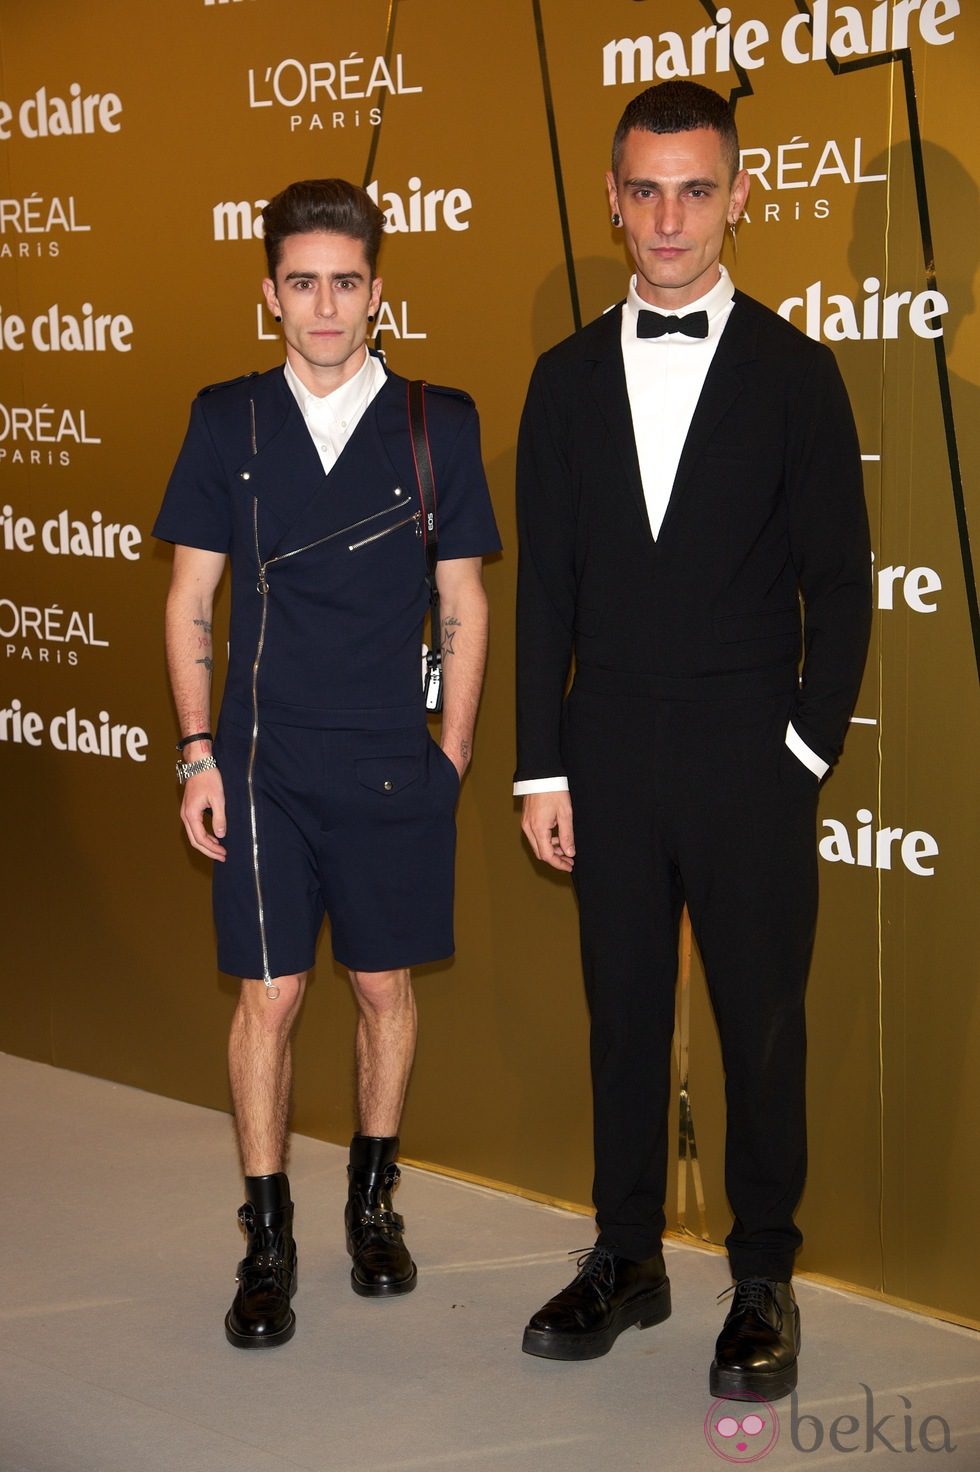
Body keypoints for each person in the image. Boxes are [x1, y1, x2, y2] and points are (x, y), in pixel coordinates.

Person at [514, 82, 871, 1400]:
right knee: (623, 1016)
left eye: (696, 189)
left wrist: (799, 755)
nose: (670, 219)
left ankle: (763, 1275)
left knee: (759, 1022)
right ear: (614, 201)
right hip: (602, 748)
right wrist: (541, 765)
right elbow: (543, 586)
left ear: (738, 196)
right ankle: (626, 1257)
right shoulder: (559, 382)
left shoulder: (797, 372)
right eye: (646, 190)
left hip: (747, 754)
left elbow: (841, 583)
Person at [154, 178, 500, 1349]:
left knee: (381, 988)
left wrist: (450, 749)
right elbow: (189, 594)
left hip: (392, 767)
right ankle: (266, 1237)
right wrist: (196, 751)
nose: (323, 304)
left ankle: (370, 1204)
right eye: (300, 281)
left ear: (375, 290)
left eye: (344, 282)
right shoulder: (226, 418)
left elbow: (464, 597)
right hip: (257, 761)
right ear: (270, 294)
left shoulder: (435, 421)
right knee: (271, 993)